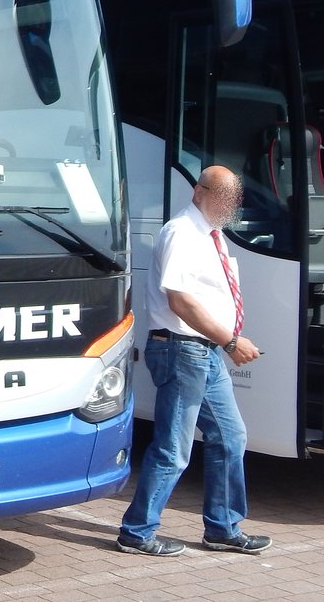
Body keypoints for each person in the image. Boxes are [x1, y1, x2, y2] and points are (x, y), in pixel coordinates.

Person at [116, 165, 272, 556]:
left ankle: (222, 527)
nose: (228, 204)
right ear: (198, 192)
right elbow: (180, 300)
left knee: (230, 436)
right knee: (173, 447)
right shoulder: (183, 233)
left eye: (232, 198)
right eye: (222, 195)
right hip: (183, 349)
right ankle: (136, 531)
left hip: (203, 351)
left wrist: (223, 342)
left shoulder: (211, 236)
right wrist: (232, 341)